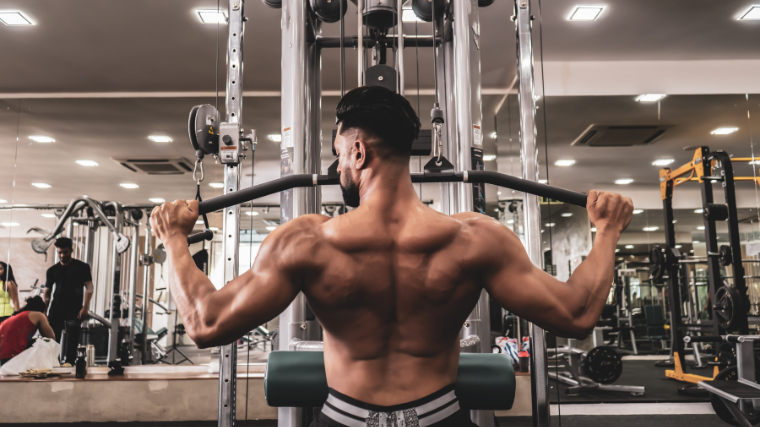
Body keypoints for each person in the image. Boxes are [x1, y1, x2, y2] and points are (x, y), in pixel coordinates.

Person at [151, 86, 633, 427]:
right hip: (441, 418)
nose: (337, 165)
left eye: (340, 153)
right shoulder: (474, 238)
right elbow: (576, 313)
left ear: (358, 153)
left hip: (344, 419)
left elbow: (205, 323)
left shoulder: (308, 241)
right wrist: (607, 231)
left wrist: (175, 237)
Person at [43, 237, 94, 363]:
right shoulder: (52, 270)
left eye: (65, 252)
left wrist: (85, 307)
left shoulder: (82, 267)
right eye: (59, 252)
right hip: (56, 308)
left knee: (72, 340)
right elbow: (47, 292)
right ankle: (54, 364)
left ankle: (70, 364)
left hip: (74, 308)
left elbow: (89, 287)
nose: (62, 255)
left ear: (71, 250)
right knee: (53, 339)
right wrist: (44, 312)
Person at [0, 296, 55, 365]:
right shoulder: (38, 315)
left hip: (3, 358)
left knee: (33, 341)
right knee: (41, 342)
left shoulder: (14, 317)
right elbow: (51, 338)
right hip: (11, 358)